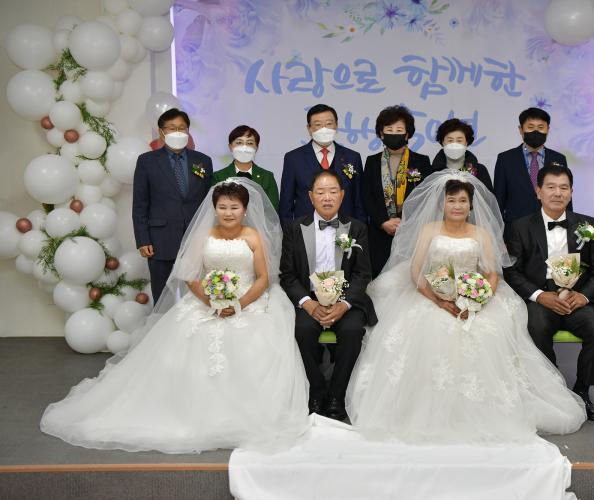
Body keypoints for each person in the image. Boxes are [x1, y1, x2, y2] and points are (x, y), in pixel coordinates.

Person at [41, 179, 310, 453]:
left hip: (248, 299)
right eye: (222, 207)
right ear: (214, 208)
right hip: (208, 299)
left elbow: (263, 278)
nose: (228, 213)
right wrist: (211, 301)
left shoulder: (254, 236)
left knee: (257, 342)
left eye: (234, 207)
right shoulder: (203, 235)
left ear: (244, 209)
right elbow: (191, 276)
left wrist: (239, 303)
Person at [346, 170, 586, 443]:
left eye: (462, 201)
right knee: (427, 333)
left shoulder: (481, 233)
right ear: (442, 204)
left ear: (471, 205)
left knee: (492, 333)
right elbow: (416, 272)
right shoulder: (428, 230)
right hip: (431, 294)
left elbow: (492, 273)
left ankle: (487, 410)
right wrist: (439, 300)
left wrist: (479, 299)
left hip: (474, 296)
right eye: (451, 200)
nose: (457, 206)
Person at [504, 164, 594, 421]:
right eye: (551, 187)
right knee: (535, 329)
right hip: (542, 299)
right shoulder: (520, 226)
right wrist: (540, 295)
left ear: (571, 192)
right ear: (538, 192)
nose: (557, 193)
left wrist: (583, 296)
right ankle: (551, 390)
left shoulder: (587, 224)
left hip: (577, 300)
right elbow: (511, 271)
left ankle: (582, 392)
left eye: (564, 187)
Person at [280, 170, 377, 421]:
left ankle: (337, 396)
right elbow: (287, 275)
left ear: (342, 195)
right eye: (321, 192)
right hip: (309, 300)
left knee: (352, 331)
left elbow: (363, 273)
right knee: (302, 330)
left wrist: (344, 305)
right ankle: (316, 392)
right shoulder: (294, 228)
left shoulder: (356, 227)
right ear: (310, 196)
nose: (327, 197)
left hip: (346, 301)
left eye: (333, 191)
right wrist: (308, 304)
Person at [133, 108, 213, 303]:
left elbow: (209, 200)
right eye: (172, 128)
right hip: (160, 240)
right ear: (161, 132)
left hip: (195, 239)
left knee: (198, 297)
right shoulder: (147, 161)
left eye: (182, 128)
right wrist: (143, 239)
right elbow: (140, 203)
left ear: (188, 131)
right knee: (163, 298)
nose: (178, 132)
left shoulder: (202, 161)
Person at [362, 105, 431, 277]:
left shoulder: (421, 161)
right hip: (379, 233)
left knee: (408, 278)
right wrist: (383, 222)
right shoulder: (371, 161)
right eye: (389, 130)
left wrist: (405, 222)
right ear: (381, 134)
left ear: (407, 134)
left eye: (399, 130)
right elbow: (367, 196)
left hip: (411, 232)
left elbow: (426, 197)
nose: (394, 134)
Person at [279, 104, 366, 225]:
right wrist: (290, 232)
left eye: (329, 124)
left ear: (336, 125)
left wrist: (360, 230)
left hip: (346, 229)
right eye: (318, 125)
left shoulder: (352, 157)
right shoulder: (293, 158)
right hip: (305, 229)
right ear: (309, 128)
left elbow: (359, 201)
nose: (324, 129)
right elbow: (286, 203)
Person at [493, 107, 568, 235]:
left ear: (548, 129)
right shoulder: (505, 159)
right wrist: (498, 235)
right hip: (515, 230)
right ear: (521, 130)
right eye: (530, 127)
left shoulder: (559, 158)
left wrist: (568, 228)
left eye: (541, 127)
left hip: (551, 228)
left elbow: (565, 195)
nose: (536, 131)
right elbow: (498, 200)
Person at [212, 125, 280, 211]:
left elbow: (272, 210)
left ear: (257, 147)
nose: (244, 147)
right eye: (239, 143)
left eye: (250, 143)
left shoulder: (267, 176)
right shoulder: (218, 176)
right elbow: (214, 208)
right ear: (230, 147)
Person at [430, 118, 492, 191]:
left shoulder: (480, 170)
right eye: (450, 140)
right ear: (442, 142)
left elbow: (488, 197)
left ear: (466, 142)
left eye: (459, 140)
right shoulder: (431, 171)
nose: (454, 144)